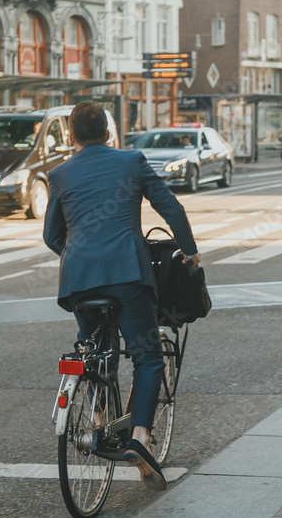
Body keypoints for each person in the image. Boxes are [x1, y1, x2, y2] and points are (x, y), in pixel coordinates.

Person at [43, 102, 199, 492]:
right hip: (126, 276)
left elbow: (51, 236)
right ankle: (140, 439)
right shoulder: (132, 161)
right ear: (110, 134)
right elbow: (171, 208)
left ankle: (98, 422)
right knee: (147, 357)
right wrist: (190, 250)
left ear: (72, 136)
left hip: (78, 280)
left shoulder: (59, 173)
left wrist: (79, 253)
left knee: (96, 352)